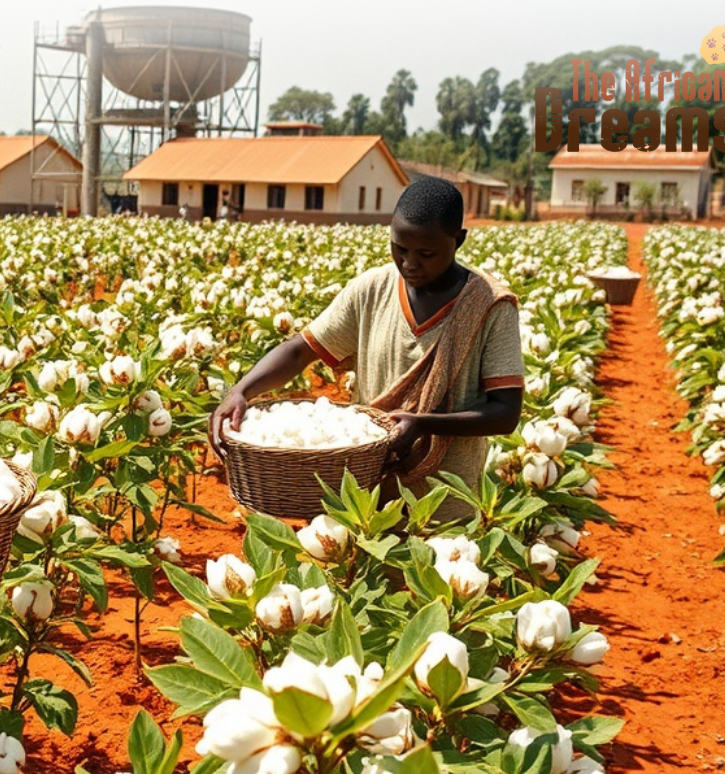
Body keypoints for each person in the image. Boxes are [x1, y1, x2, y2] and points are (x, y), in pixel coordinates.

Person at [209, 176, 524, 518]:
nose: (409, 263)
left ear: (458, 240)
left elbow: (505, 413)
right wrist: (241, 390)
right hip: (366, 498)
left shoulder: (489, 306)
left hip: (446, 503)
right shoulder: (370, 290)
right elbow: (301, 350)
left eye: (426, 253)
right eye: (399, 248)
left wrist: (425, 423)